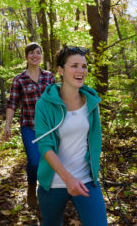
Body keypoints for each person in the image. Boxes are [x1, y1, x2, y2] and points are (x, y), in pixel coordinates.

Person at [34, 46, 108, 225]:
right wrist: (68, 179)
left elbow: (94, 140)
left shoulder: (91, 101)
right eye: (74, 65)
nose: (81, 71)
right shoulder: (44, 104)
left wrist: (89, 174)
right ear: (60, 70)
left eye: (84, 66)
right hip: (54, 182)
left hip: (86, 179)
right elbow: (45, 146)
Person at [4, 42, 55, 209]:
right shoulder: (19, 79)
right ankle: (32, 187)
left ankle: (46, 194)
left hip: (49, 127)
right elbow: (12, 104)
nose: (35, 55)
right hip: (29, 127)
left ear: (41, 56)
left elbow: (56, 101)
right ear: (26, 57)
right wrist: (8, 126)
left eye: (38, 52)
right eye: (32, 52)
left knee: (49, 161)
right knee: (34, 162)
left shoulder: (49, 77)